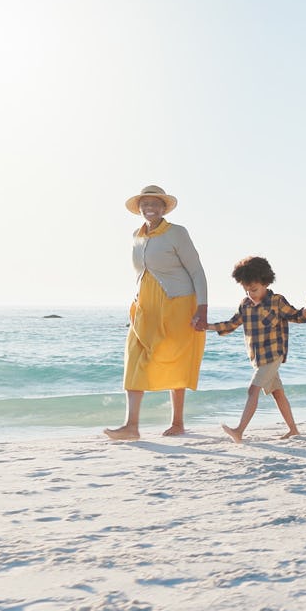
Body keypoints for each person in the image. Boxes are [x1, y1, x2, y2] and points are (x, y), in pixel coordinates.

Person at [105, 185, 209, 441]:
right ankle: (131, 426)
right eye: (145, 204)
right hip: (144, 307)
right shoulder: (136, 236)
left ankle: (178, 423)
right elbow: (142, 273)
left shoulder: (177, 233)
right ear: (139, 208)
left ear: (164, 208)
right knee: (133, 358)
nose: (149, 208)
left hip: (178, 304)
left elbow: (197, 271)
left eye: (154, 204)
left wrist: (202, 308)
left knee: (175, 358)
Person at [210, 256, 306, 442]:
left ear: (265, 282)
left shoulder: (276, 301)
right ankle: (293, 430)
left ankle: (239, 431)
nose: (251, 294)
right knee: (278, 393)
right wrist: (207, 327)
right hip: (258, 359)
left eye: (254, 290)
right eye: (247, 290)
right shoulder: (245, 305)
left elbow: (297, 316)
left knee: (253, 390)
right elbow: (231, 325)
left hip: (274, 355)